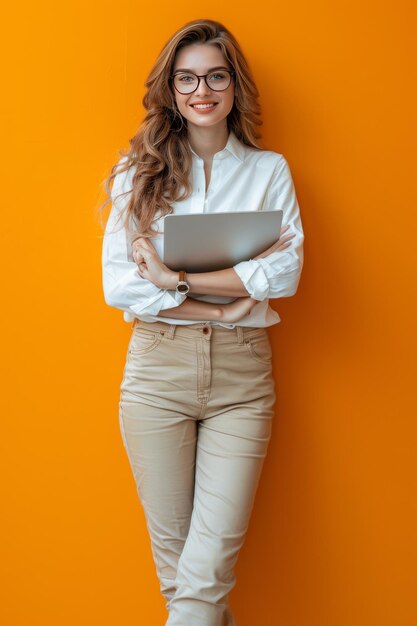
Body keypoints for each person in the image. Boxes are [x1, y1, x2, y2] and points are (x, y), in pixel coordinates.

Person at [100, 18, 304, 626]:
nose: (202, 90)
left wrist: (173, 280)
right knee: (182, 576)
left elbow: (286, 273)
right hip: (156, 373)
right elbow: (121, 286)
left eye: (216, 75)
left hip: (242, 380)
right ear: (170, 90)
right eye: (186, 78)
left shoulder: (269, 171)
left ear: (234, 85)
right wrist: (227, 293)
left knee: (205, 571)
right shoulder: (135, 172)